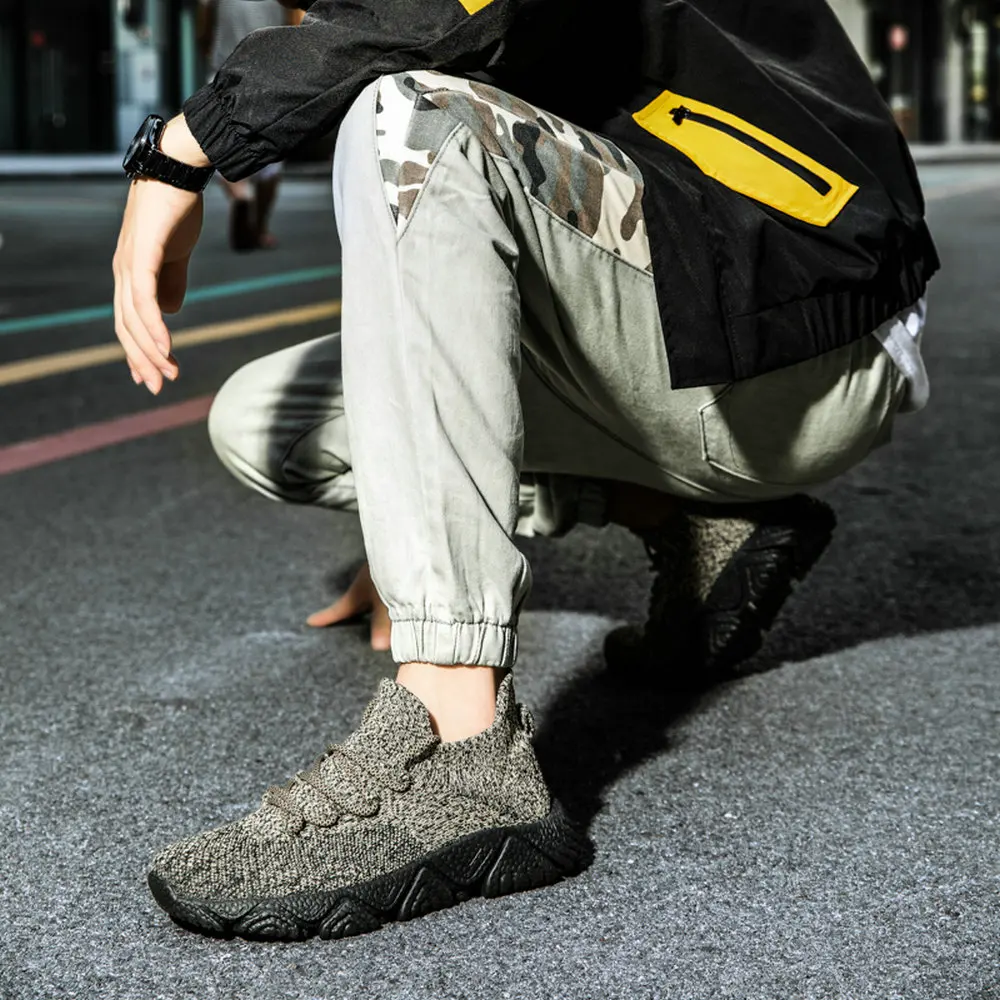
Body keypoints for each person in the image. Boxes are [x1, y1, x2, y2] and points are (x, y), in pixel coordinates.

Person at [112, 0, 936, 942]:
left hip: (793, 323)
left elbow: (440, 15)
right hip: (673, 328)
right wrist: (418, 502)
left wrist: (182, 148)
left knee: (412, 116)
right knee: (265, 423)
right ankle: (687, 518)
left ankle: (454, 739)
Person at [196, 0, 302, 250]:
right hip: (270, 78)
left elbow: (203, 31)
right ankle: (261, 227)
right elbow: (296, 26)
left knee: (222, 150)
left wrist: (212, 53)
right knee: (271, 160)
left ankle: (242, 194)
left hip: (225, 73)